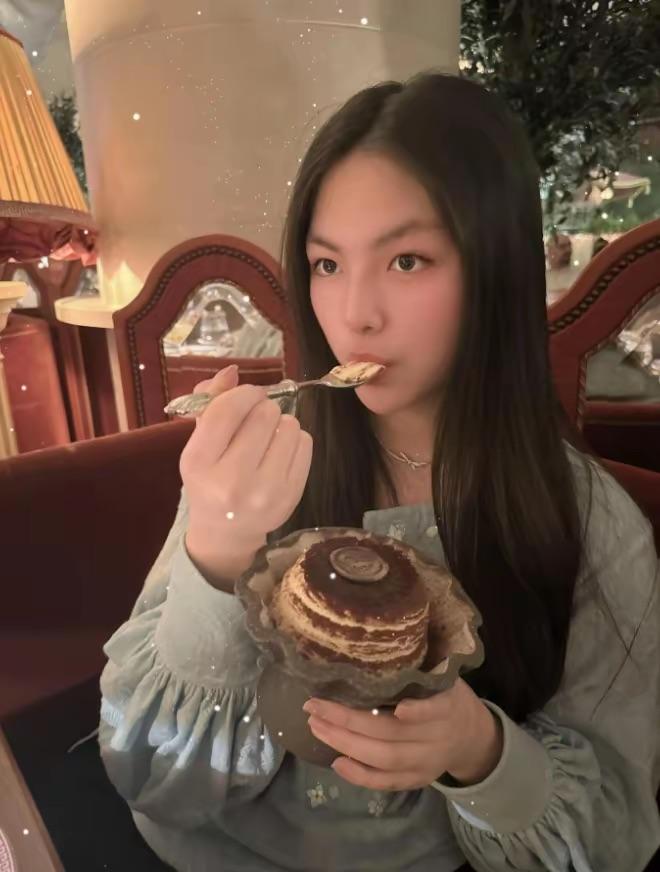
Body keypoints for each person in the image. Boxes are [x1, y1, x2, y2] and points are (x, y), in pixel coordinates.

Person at [98, 72, 660, 872]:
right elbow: (149, 771)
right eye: (327, 265)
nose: (355, 315)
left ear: (495, 269)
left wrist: (479, 750)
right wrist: (219, 550)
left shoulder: (587, 520)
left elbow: (613, 837)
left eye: (406, 260)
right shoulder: (265, 461)